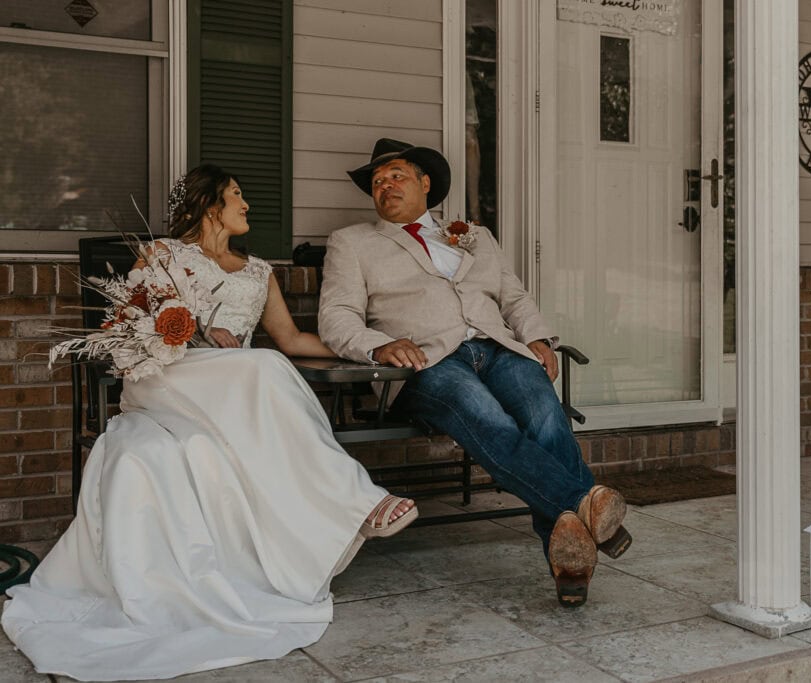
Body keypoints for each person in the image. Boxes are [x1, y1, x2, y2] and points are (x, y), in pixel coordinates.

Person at [2, 164, 417, 681]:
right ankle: (355, 498)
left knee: (265, 361)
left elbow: (292, 340)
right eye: (237, 195)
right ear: (209, 205)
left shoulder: (259, 272)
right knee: (261, 366)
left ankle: (319, 524)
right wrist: (190, 331)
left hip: (229, 389)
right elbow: (131, 328)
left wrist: (374, 345)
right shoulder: (163, 255)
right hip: (165, 379)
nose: (247, 205)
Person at [318, 138, 631, 607]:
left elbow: (514, 298)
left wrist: (538, 338)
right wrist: (380, 345)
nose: (386, 186)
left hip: (497, 348)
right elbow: (336, 317)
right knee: (489, 419)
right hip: (429, 364)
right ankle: (586, 510)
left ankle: (571, 542)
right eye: (378, 182)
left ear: (425, 183)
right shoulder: (352, 243)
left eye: (397, 175)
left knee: (546, 416)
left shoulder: (474, 235)